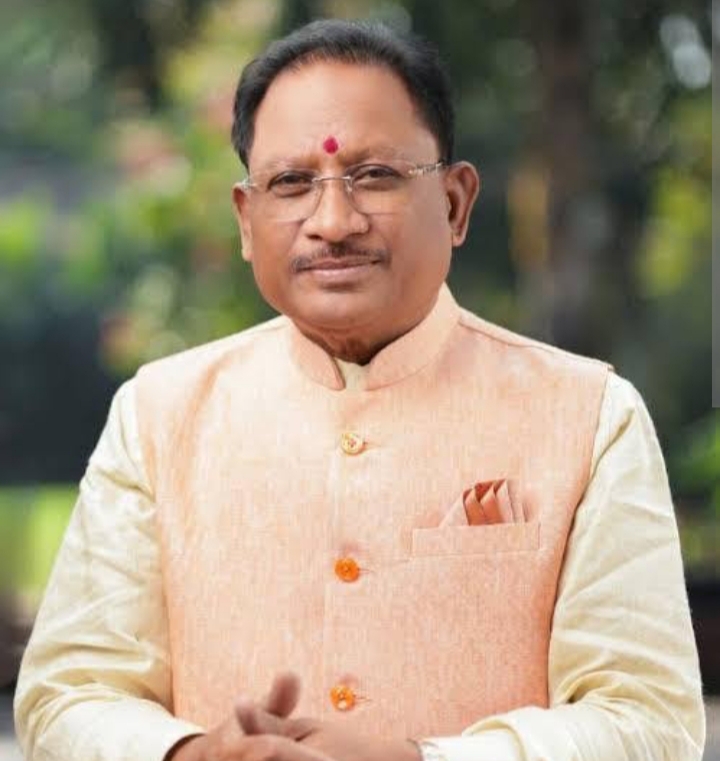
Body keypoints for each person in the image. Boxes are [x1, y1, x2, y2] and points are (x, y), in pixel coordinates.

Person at [14, 18, 705, 761]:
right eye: (291, 183)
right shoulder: (160, 415)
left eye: (375, 176)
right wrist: (188, 754)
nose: (334, 222)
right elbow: (68, 696)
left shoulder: (588, 416)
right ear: (246, 221)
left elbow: (649, 721)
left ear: (455, 203)